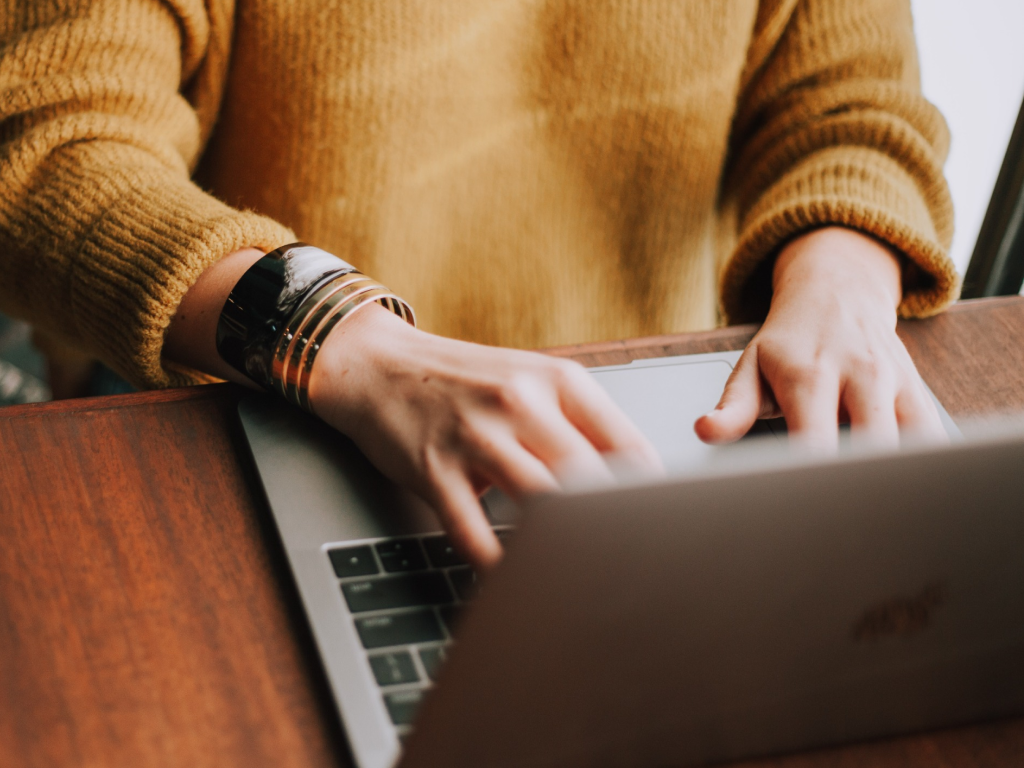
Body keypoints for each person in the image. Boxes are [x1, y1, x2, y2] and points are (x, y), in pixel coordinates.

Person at [0, 0, 959, 567]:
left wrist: (842, 279)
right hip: (264, 412)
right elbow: (49, 147)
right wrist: (349, 341)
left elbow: (852, 103)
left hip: (658, 434)